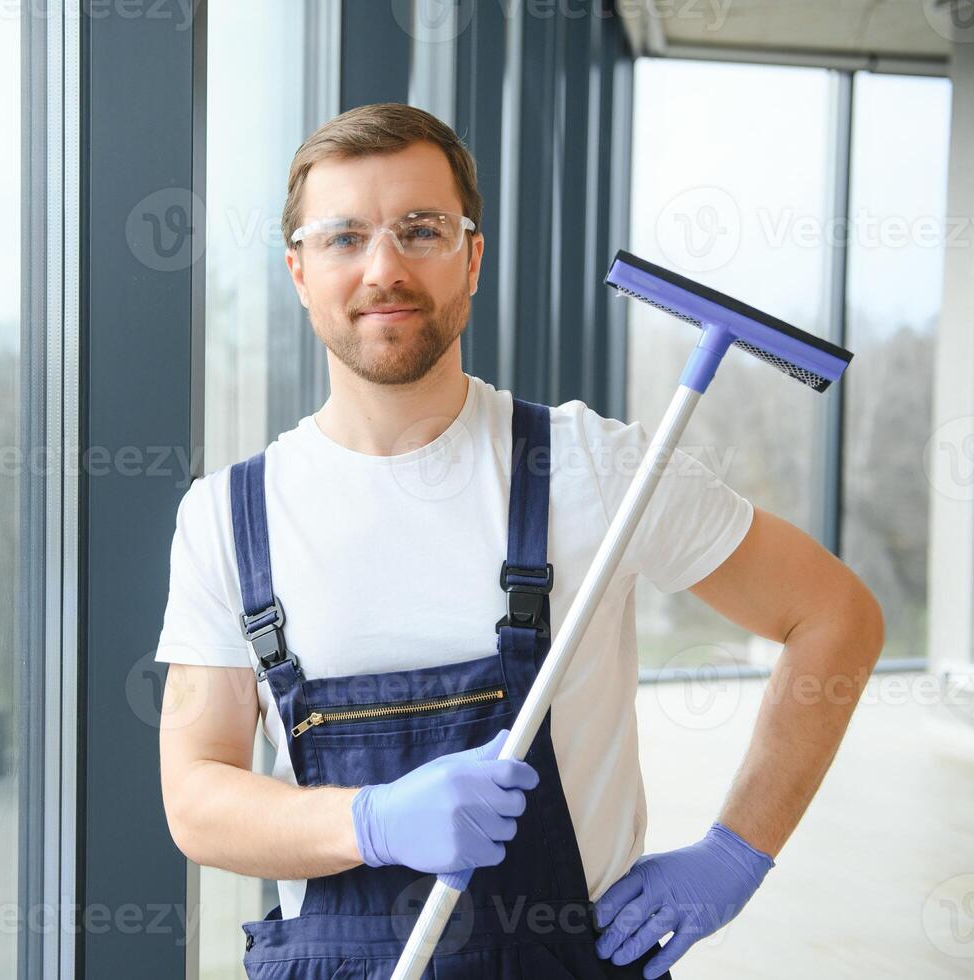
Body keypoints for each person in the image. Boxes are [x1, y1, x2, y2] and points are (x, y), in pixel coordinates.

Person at [155, 103, 884, 979]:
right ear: (298, 270)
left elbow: (834, 615)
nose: (383, 268)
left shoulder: (597, 468)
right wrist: (370, 820)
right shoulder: (229, 515)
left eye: (419, 230)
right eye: (344, 236)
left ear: (471, 257)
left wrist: (736, 852)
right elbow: (197, 797)